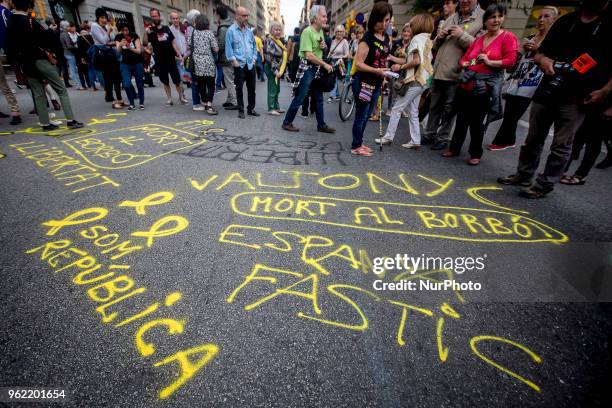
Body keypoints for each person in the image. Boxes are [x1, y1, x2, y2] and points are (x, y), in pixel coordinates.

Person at [498, 0, 611, 198]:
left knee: (561, 144)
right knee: (533, 138)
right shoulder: (567, 21)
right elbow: (540, 54)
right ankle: (523, 175)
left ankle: (544, 184)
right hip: (548, 88)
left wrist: (604, 91)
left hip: (579, 96)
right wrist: (545, 61)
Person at [442, 4, 518, 165]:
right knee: (461, 119)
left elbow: (511, 61)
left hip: (485, 86)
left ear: (503, 18)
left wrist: (491, 61)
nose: (496, 20)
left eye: (499, 16)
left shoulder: (507, 37)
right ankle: (454, 148)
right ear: (485, 20)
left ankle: (475, 153)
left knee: (477, 122)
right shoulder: (480, 39)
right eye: (492, 17)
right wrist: (465, 63)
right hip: (467, 83)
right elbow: (466, 58)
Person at [5, 0, 83, 130]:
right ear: (29, 8)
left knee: (38, 93)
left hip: (25, 63)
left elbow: (9, 47)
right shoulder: (30, 21)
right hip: (39, 59)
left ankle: (45, 123)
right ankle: (71, 120)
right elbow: (46, 40)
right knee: (60, 89)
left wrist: (16, 62)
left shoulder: (10, 22)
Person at [488, 6, 558, 151]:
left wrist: (537, 49)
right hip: (519, 77)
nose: (541, 20)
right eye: (540, 17)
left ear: (553, 21)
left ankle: (501, 141)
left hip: (534, 81)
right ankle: (509, 140)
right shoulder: (532, 36)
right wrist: (522, 50)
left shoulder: (553, 40)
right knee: (509, 111)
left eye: (546, 17)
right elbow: (518, 58)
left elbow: (553, 61)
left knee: (515, 113)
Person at [424, 0, 484, 150]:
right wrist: (440, 36)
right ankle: (429, 133)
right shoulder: (453, 16)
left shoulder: (482, 18)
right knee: (434, 105)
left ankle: (443, 137)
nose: (464, 1)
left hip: (457, 71)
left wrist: (461, 35)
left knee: (450, 108)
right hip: (439, 70)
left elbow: (481, 47)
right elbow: (435, 45)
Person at [376, 14, 434, 149]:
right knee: (413, 111)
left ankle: (388, 137)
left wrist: (400, 67)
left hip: (414, 79)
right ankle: (415, 140)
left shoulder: (416, 40)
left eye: (412, 25)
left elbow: (416, 61)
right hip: (424, 79)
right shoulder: (427, 38)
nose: (410, 28)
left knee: (397, 108)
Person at [281, 5, 335, 133]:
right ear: (315, 18)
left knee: (319, 98)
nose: (326, 18)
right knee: (300, 96)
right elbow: (309, 55)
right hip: (308, 68)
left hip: (316, 69)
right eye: (323, 16)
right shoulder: (307, 32)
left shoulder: (320, 31)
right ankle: (287, 122)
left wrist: (324, 48)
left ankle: (321, 125)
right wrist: (325, 64)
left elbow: (321, 52)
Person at [350, 1, 394, 156]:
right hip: (363, 83)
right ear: (374, 19)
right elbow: (359, 63)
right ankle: (356, 146)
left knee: (368, 115)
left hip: (376, 83)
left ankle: (360, 142)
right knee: (361, 115)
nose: (383, 24)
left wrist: (384, 76)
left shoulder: (387, 38)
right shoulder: (367, 38)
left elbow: (384, 58)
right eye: (380, 20)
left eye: (387, 20)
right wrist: (377, 71)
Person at [147, 8, 187, 106]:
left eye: (156, 15)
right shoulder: (150, 30)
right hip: (160, 60)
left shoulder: (166, 28)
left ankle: (181, 97)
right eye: (152, 16)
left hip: (171, 59)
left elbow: (173, 42)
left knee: (177, 80)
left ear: (159, 16)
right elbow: (145, 43)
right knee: (165, 81)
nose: (154, 17)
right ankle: (169, 99)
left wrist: (178, 54)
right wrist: (145, 33)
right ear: (151, 17)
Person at [225, 6, 259, 118]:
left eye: (247, 15)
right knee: (239, 88)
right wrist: (234, 61)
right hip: (239, 64)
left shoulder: (249, 31)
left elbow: (254, 46)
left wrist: (254, 58)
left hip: (250, 64)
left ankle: (251, 109)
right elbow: (228, 48)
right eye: (244, 16)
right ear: (237, 16)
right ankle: (241, 110)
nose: (246, 18)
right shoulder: (231, 31)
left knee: (252, 88)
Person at [90, 8, 124, 109]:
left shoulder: (105, 26)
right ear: (98, 18)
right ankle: (113, 100)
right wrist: (108, 32)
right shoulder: (94, 26)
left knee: (117, 77)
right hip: (103, 55)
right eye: (102, 18)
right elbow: (104, 41)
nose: (104, 20)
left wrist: (112, 30)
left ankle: (120, 99)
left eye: (106, 18)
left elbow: (112, 39)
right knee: (109, 78)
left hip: (111, 53)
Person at [190, 14, 219, 115]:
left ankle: (205, 101)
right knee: (211, 84)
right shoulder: (210, 33)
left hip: (197, 62)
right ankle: (209, 105)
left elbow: (189, 46)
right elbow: (216, 49)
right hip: (208, 62)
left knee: (201, 84)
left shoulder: (193, 33)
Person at [0, 0, 22, 125]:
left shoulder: (5, 12)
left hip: (7, 49)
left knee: (3, 84)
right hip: (8, 49)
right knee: (3, 84)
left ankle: (15, 111)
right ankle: (15, 111)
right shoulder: (4, 12)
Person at [115, 21, 144, 110]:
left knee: (139, 84)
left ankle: (141, 103)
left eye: (126, 30)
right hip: (125, 64)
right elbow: (118, 51)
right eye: (123, 30)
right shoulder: (118, 37)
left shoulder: (134, 35)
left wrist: (129, 47)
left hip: (137, 63)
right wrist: (120, 45)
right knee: (126, 84)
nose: (125, 32)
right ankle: (131, 103)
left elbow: (139, 51)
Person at [215, 5, 237, 110]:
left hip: (226, 58)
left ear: (218, 15)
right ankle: (229, 100)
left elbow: (221, 45)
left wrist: (216, 47)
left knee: (229, 81)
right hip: (232, 56)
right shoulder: (231, 25)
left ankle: (234, 101)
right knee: (230, 79)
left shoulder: (223, 28)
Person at [264, 21, 287, 115]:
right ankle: (271, 108)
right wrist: (275, 71)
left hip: (276, 69)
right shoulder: (271, 41)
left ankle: (276, 107)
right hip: (272, 68)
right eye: (276, 30)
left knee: (277, 88)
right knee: (273, 88)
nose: (278, 31)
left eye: (279, 30)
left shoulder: (277, 41)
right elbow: (270, 58)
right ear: (271, 31)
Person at [185, 9, 202, 111]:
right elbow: (190, 46)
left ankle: (198, 101)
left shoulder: (191, 29)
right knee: (195, 82)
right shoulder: (192, 30)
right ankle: (196, 103)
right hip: (194, 59)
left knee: (197, 81)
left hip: (193, 58)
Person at [327, 25, 350, 102]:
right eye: (337, 31)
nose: (338, 33)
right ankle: (333, 95)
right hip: (333, 61)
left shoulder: (345, 41)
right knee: (333, 78)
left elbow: (347, 54)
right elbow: (330, 51)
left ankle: (345, 96)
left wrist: (341, 58)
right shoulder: (333, 41)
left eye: (340, 31)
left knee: (343, 80)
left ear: (343, 32)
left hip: (341, 62)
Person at [59, 21, 80, 88]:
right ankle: (78, 85)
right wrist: (75, 46)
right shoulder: (64, 34)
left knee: (72, 68)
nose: (69, 27)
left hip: (67, 53)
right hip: (69, 53)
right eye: (68, 26)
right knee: (72, 69)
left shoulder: (62, 34)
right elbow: (68, 45)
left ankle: (77, 84)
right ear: (65, 27)